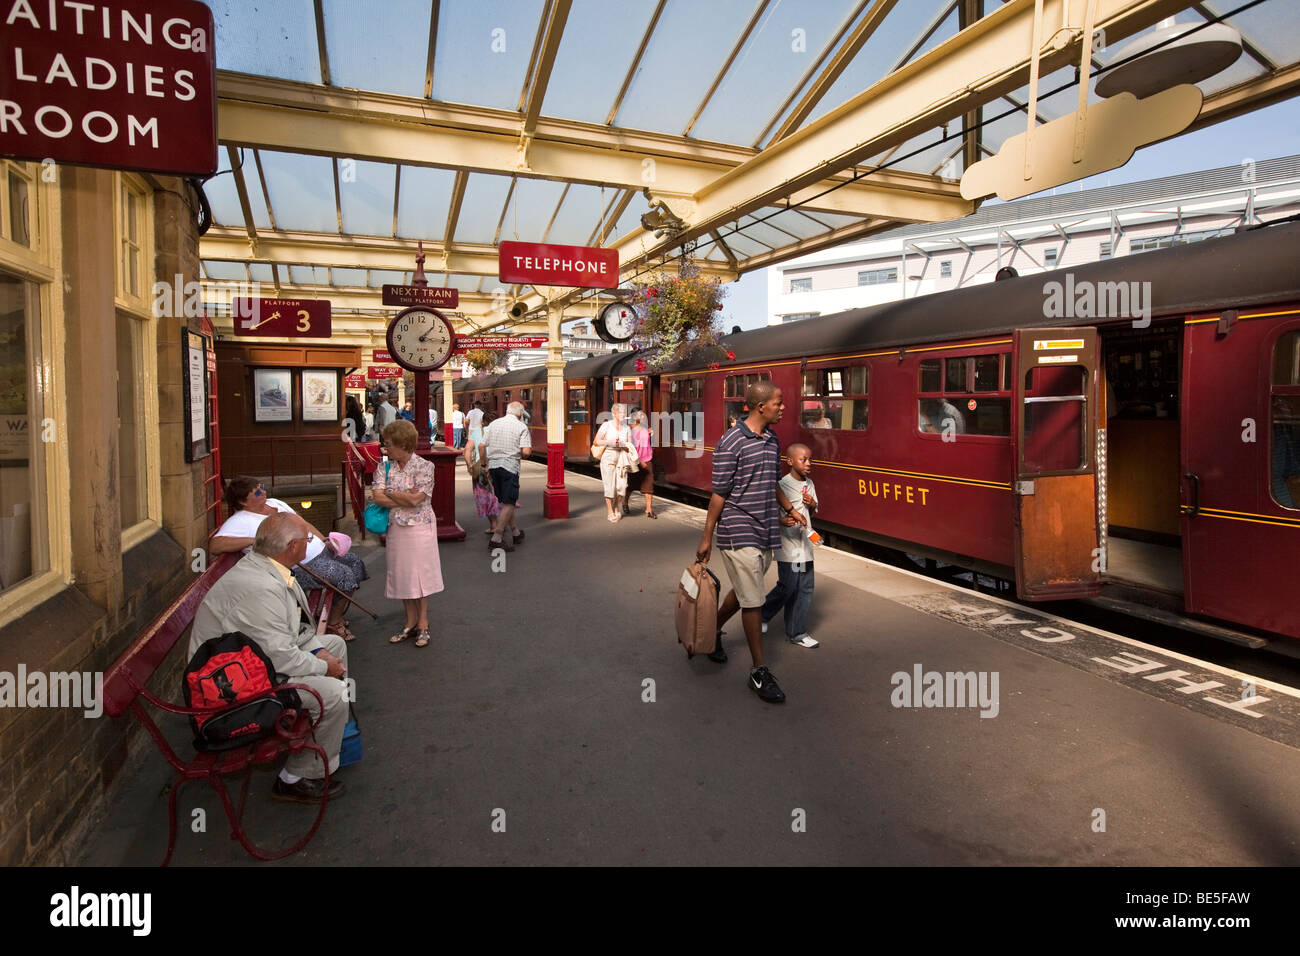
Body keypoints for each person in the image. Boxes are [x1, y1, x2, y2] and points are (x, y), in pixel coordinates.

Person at [190, 514, 349, 803]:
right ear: (291, 547)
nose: (309, 543)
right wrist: (323, 667)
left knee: (334, 644)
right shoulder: (260, 588)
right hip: (230, 691)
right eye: (306, 539)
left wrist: (320, 652)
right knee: (335, 692)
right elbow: (280, 658)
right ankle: (297, 778)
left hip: (250, 664)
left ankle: (329, 740)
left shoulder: (270, 568)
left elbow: (294, 628)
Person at [695, 380, 799, 704]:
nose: (783, 408)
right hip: (737, 530)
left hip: (766, 529)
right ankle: (759, 671)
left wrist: (789, 509)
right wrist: (706, 536)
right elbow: (719, 494)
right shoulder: (731, 442)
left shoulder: (771, 438)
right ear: (760, 407)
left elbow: (769, 482)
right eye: (778, 403)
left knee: (743, 594)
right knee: (753, 600)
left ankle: (710, 632)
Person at [211, 476, 368, 642]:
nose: (263, 491)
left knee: (355, 563)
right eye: (257, 491)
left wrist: (324, 541)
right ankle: (334, 622)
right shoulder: (240, 521)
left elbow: (303, 524)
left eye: (262, 487)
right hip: (300, 566)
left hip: (321, 552)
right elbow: (215, 545)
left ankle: (336, 613)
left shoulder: (275, 503)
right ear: (243, 501)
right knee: (344, 575)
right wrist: (256, 540)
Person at [371, 420, 444, 648]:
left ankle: (423, 623)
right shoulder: (384, 467)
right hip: (397, 527)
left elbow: (416, 500)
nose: (386, 448)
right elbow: (377, 497)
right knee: (402, 574)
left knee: (420, 575)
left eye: (389, 444)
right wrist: (403, 495)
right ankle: (410, 622)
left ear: (403, 444)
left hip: (420, 527)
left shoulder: (425, 467)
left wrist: (391, 492)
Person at [760, 444, 820, 648]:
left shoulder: (809, 483)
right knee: (789, 586)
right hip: (788, 545)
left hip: (805, 545)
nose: (808, 464)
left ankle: (797, 632)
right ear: (790, 461)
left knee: (805, 587)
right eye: (804, 460)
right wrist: (780, 521)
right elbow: (768, 510)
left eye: (810, 459)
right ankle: (763, 614)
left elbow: (813, 512)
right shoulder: (782, 485)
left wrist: (811, 504)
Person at [482, 401, 532, 551]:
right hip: (510, 467)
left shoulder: (494, 424)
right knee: (510, 502)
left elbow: (481, 445)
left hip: (494, 467)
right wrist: (522, 454)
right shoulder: (521, 426)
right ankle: (497, 538)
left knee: (504, 502)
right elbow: (526, 452)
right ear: (520, 413)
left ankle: (515, 532)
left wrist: (485, 464)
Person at [594, 403, 634, 523]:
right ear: (614, 414)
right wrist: (610, 441)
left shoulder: (627, 428)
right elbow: (596, 441)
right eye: (621, 413)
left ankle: (616, 505)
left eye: (624, 413)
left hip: (622, 456)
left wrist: (623, 444)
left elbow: (630, 445)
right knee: (609, 485)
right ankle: (610, 511)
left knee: (622, 486)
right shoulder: (606, 425)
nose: (623, 415)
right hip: (609, 455)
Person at [631, 410, 656, 518]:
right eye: (639, 415)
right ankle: (625, 503)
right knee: (630, 485)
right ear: (633, 417)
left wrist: (650, 433)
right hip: (635, 461)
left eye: (643, 415)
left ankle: (649, 510)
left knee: (649, 485)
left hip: (647, 459)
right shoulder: (630, 430)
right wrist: (639, 461)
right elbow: (631, 448)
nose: (642, 416)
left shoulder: (645, 428)